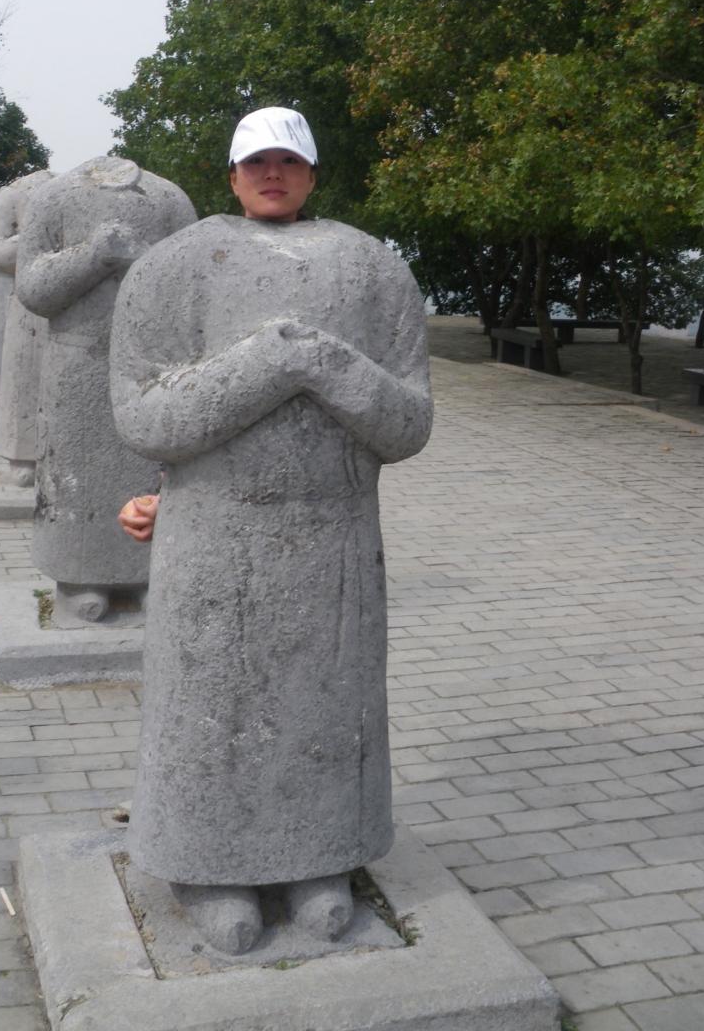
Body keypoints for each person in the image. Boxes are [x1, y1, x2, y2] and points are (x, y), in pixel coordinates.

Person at [110, 107, 433, 955]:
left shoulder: (373, 268)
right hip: (214, 536)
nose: (272, 174)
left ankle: (320, 857)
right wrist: (267, 361)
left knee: (326, 698)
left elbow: (407, 424)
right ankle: (208, 866)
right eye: (256, 162)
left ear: (313, 172)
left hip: (336, 536)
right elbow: (142, 416)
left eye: (288, 160)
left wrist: (321, 360)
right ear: (232, 174)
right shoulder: (175, 266)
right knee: (211, 704)